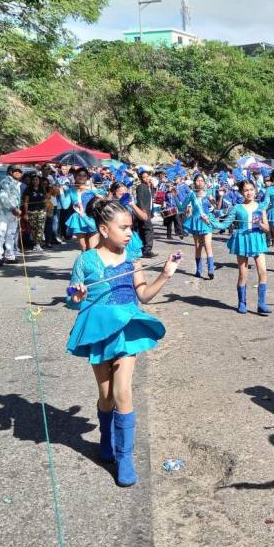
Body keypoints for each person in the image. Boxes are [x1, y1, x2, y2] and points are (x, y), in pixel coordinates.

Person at [67, 198, 179, 487]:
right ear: (104, 229)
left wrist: (164, 276)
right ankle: (107, 437)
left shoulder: (132, 258)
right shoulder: (86, 261)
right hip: (98, 330)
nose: (131, 233)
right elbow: (73, 298)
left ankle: (125, 458)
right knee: (106, 396)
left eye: (131, 227)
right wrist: (76, 296)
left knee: (123, 391)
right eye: (125, 227)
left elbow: (143, 295)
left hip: (127, 327)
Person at [210, 180, 272, 315]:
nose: (249, 192)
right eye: (245, 190)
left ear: (255, 190)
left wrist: (260, 224)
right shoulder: (237, 208)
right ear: (241, 192)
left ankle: (261, 304)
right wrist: (210, 220)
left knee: (263, 272)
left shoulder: (261, 207)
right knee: (243, 274)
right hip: (243, 240)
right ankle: (242, 303)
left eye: (251, 189)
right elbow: (224, 225)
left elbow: (267, 228)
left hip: (257, 240)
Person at [176, 173, 216, 279]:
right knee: (198, 247)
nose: (199, 182)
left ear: (204, 182)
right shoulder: (191, 194)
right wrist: (175, 197)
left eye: (201, 180)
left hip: (206, 221)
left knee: (208, 245)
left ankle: (211, 269)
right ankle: (198, 270)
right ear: (194, 183)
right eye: (197, 180)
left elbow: (216, 206)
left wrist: (215, 200)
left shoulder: (209, 193)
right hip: (195, 221)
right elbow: (181, 207)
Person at [62, 167, 100, 252]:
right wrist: (61, 192)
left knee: (93, 247)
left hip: (91, 218)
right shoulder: (71, 190)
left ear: (87, 178)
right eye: (79, 175)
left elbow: (102, 200)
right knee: (84, 248)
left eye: (84, 175)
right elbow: (65, 206)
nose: (81, 177)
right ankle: (84, 264)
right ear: (75, 177)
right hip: (78, 219)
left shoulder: (92, 189)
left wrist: (94, 192)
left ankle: (93, 264)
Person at [0, 164, 23, 265]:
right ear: (10, 172)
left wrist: (16, 209)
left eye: (20, 171)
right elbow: (3, 198)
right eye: (15, 171)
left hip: (13, 213)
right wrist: (13, 208)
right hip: (3, 213)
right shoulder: (6, 181)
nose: (18, 173)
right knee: (1, 234)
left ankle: (9, 256)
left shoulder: (17, 184)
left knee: (10, 234)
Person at [109, 182, 144, 261]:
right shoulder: (110, 206)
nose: (124, 196)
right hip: (115, 237)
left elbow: (143, 217)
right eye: (121, 194)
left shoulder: (129, 204)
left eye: (126, 194)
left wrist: (132, 205)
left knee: (134, 262)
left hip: (130, 237)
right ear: (113, 194)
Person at [134, 168, 156, 258]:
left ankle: (144, 249)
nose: (146, 178)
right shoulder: (141, 187)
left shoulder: (148, 186)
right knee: (148, 229)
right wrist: (143, 211)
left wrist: (153, 186)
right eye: (144, 177)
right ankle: (147, 250)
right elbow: (140, 200)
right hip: (144, 212)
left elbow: (153, 197)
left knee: (143, 230)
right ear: (141, 178)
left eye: (147, 176)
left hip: (148, 211)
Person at [23, 175, 48, 252]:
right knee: (33, 229)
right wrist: (26, 213)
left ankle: (38, 244)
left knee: (40, 228)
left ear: (39, 181)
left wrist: (46, 210)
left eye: (37, 180)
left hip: (41, 211)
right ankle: (35, 243)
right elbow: (26, 202)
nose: (35, 181)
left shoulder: (42, 188)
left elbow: (46, 199)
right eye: (34, 180)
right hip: (31, 211)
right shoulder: (28, 189)